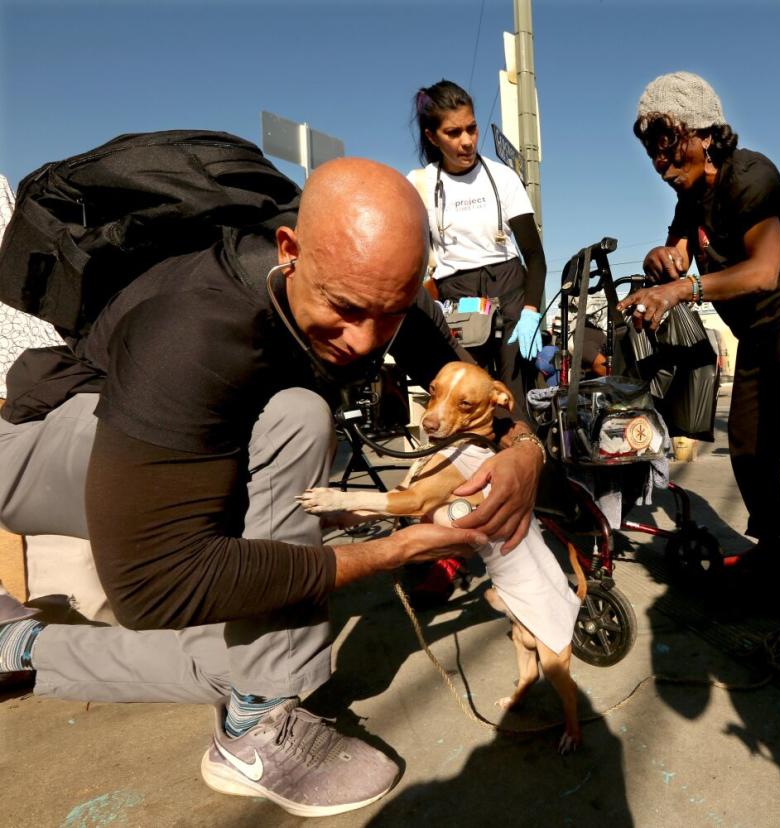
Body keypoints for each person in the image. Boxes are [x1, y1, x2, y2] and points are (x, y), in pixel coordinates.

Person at [0, 158, 547, 817]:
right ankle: (253, 728)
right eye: (344, 310)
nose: (367, 342)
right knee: (295, 417)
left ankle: (20, 649)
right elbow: (151, 588)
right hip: (39, 448)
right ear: (289, 251)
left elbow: (461, 377)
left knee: (232, 649)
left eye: (391, 314)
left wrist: (522, 445)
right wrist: (393, 552)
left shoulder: (375, 285)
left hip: (193, 437)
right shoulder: (195, 328)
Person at [621, 72, 780, 611]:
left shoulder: (750, 174)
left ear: (703, 134)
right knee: (748, 441)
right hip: (757, 326)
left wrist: (683, 287)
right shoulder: (691, 197)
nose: (661, 163)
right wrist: (661, 261)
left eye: (668, 147)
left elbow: (763, 271)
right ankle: (772, 551)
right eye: (652, 153)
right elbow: (677, 253)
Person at [408, 80, 547, 422]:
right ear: (432, 136)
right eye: (453, 132)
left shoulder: (503, 178)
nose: (467, 141)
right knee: (470, 402)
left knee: (516, 401)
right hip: (458, 297)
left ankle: (528, 467)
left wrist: (530, 311)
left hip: (511, 287)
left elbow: (534, 255)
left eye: (471, 128)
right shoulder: (420, 185)